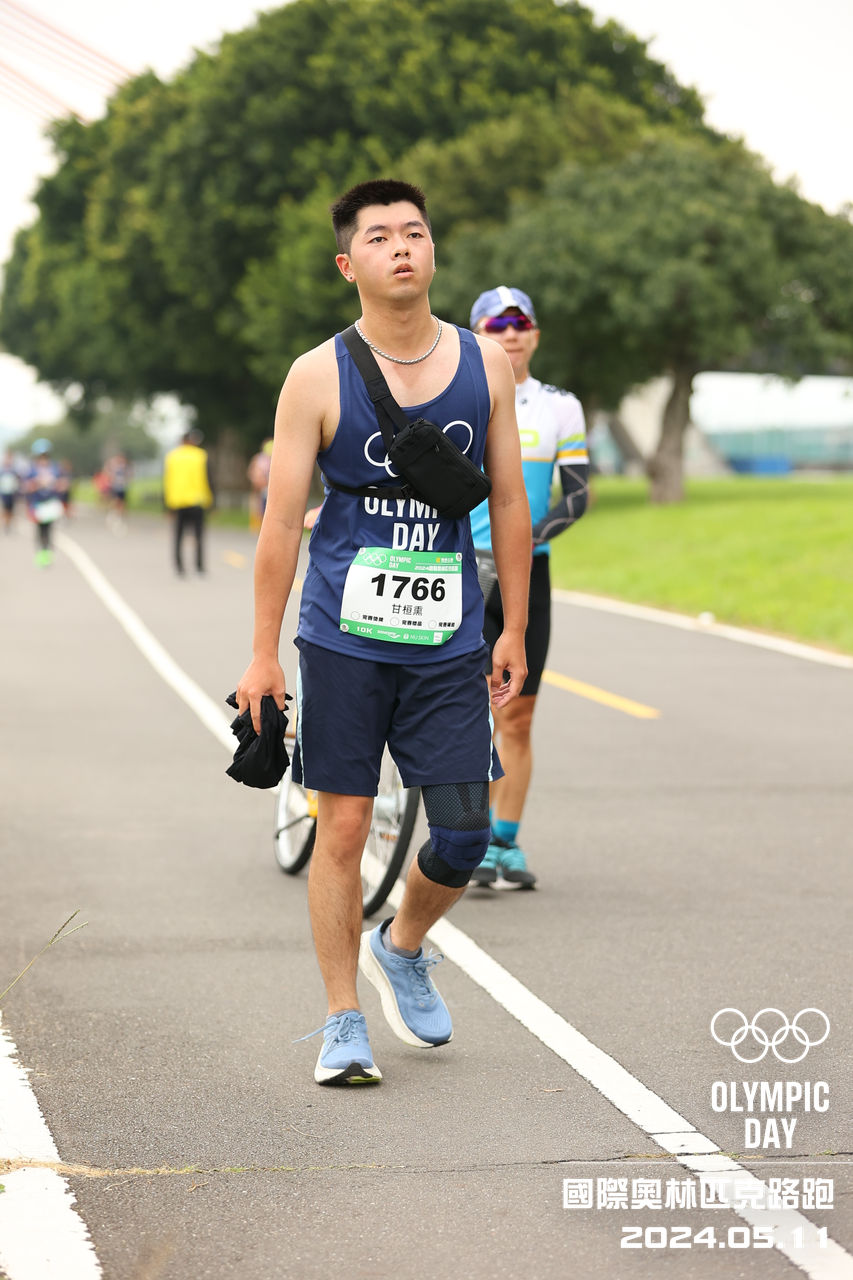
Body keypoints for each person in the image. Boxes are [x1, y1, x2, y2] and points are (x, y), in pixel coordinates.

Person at [235, 179, 530, 1086]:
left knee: (464, 835)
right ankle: (341, 1021)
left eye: (414, 232)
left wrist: (514, 627)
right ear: (346, 263)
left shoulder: (484, 365)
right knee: (345, 825)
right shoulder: (315, 375)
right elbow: (281, 524)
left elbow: (508, 504)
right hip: (342, 639)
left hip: (448, 638)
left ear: (432, 250)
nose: (400, 247)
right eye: (378, 237)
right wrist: (262, 653)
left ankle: (401, 946)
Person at [468, 287, 589, 890]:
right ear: (477, 335)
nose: (511, 332)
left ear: (535, 334)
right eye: (497, 324)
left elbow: (578, 495)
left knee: (515, 718)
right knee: (460, 713)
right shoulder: (458, 394)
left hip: (527, 572)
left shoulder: (559, 407)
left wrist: (524, 537)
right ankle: (460, 835)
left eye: (521, 322)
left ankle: (503, 843)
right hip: (459, 568)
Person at [163, 428, 214, 575]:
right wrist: (212, 502)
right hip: (198, 501)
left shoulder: (172, 457)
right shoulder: (201, 455)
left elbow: (167, 481)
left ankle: (179, 566)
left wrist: (165, 505)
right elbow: (209, 479)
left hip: (177, 501)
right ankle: (199, 565)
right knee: (199, 535)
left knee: (178, 536)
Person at [23, 438, 68, 566]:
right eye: (41, 456)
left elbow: (64, 485)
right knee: (39, 530)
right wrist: (37, 483)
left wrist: (55, 484)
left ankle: (47, 552)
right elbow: (26, 487)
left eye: (45, 456)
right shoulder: (32, 470)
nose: (43, 459)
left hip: (51, 504)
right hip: (37, 504)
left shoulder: (55, 468)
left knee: (49, 529)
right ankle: (41, 553)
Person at [247, 438, 274, 532]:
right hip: (261, 488)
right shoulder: (259, 459)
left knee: (266, 509)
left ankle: (265, 527)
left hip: (269, 488)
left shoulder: (273, 459)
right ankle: (260, 526)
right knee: (260, 508)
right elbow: (252, 473)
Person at [0, 449, 21, 533]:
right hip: (4, 493)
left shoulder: (14, 470)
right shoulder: (2, 471)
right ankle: (6, 524)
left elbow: (18, 481)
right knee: (5, 510)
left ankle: (10, 524)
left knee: (12, 510)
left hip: (12, 494)